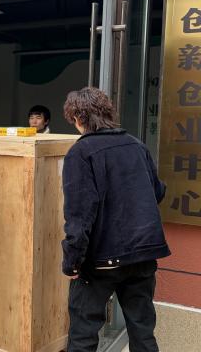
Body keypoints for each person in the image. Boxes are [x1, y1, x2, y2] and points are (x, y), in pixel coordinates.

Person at [61, 87, 170, 352]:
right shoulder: (136, 145)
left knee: (83, 334)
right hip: (143, 255)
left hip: (101, 260)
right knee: (142, 331)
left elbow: (79, 215)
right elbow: (158, 192)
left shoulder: (81, 152)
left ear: (77, 117)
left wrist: (72, 262)